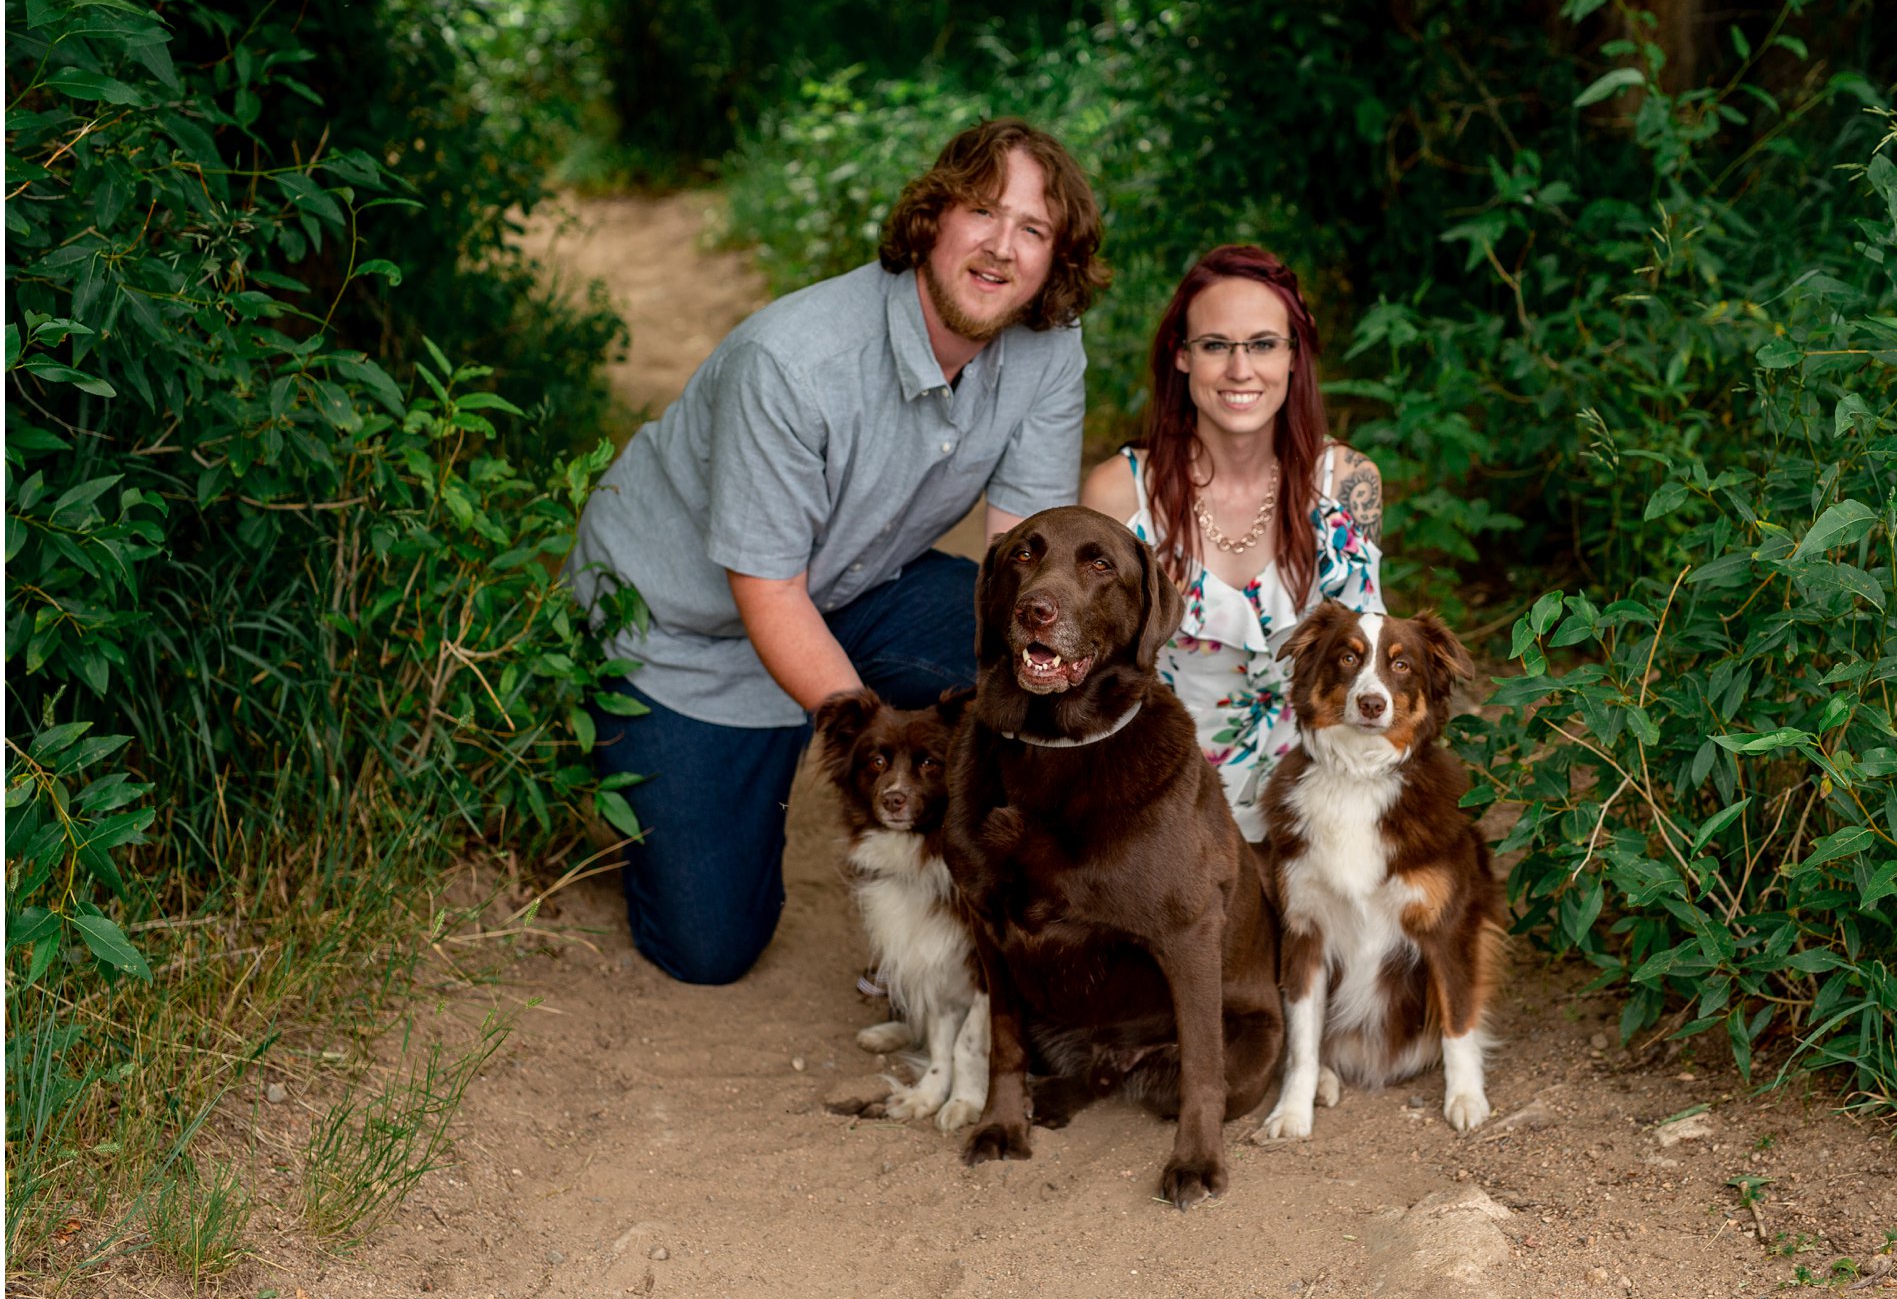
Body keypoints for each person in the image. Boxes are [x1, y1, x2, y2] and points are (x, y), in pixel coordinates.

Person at [567, 118, 1108, 984]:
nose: (1002, 247)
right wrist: (887, 742)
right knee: (711, 947)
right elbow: (769, 593)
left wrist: (1007, 718)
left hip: (854, 584)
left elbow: (1021, 563)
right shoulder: (793, 363)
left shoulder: (1048, 348)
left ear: (1056, 259)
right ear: (934, 217)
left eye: (1034, 229)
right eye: (982, 211)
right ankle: (631, 751)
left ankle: (1012, 915)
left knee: (1056, 686)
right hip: (684, 631)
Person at [1080, 244, 1386, 843]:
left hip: (1314, 816)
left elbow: (1370, 675)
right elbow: (1095, 684)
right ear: (1182, 356)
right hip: (1156, 819)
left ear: (1295, 356)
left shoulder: (1349, 485)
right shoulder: (1121, 494)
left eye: (1264, 344)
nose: (1240, 370)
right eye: (1216, 345)